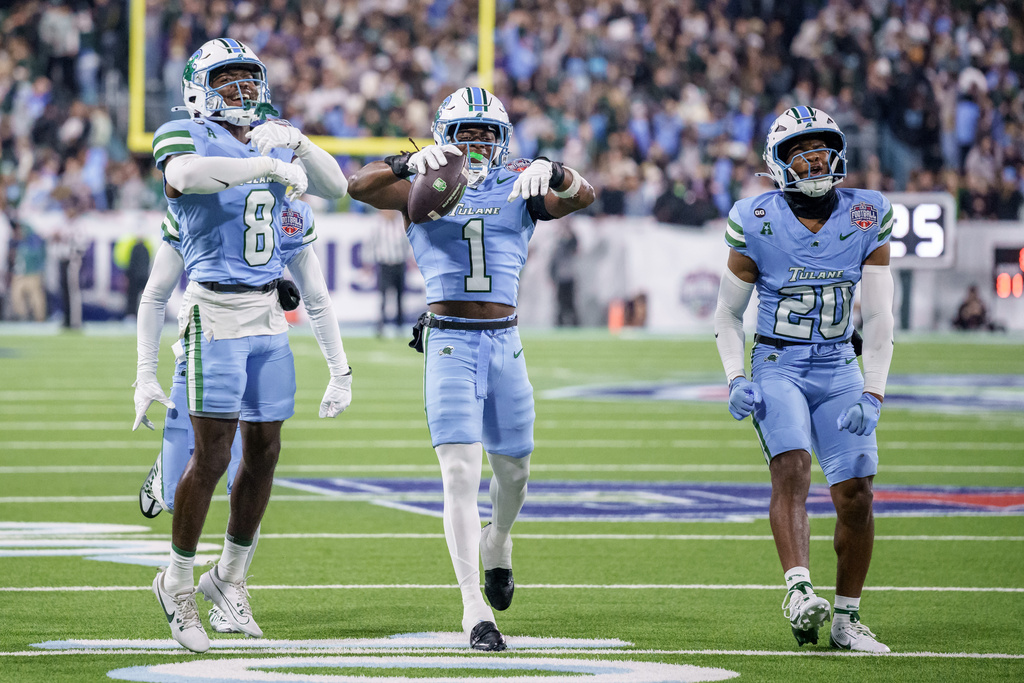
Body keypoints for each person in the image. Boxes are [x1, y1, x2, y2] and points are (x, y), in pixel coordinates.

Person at [347, 87, 595, 651]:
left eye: (488, 133)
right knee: (459, 475)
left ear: (503, 139)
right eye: (468, 133)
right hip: (450, 344)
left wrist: (555, 170)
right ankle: (473, 609)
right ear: (444, 137)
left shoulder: (520, 185)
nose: (479, 143)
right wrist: (405, 161)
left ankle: (499, 541)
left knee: (515, 474)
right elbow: (354, 187)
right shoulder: (424, 185)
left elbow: (585, 195)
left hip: (506, 343)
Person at [136, 38, 349, 653]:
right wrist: (267, 166)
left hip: (266, 315)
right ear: (200, 89)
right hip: (214, 311)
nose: (241, 91)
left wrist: (298, 144)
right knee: (212, 455)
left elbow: (333, 186)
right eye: (227, 81)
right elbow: (183, 175)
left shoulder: (270, 136)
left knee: (265, 450)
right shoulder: (183, 132)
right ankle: (176, 582)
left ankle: (229, 578)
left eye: (247, 79)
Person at [713, 106, 895, 653]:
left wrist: (873, 390)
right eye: (801, 150)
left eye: (822, 147)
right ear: (779, 161)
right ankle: (797, 589)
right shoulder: (755, 216)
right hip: (779, 362)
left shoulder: (868, 212)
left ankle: (846, 619)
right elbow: (726, 314)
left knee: (857, 494)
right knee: (791, 466)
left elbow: (881, 316)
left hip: (840, 362)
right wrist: (735, 377)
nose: (815, 158)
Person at [368, 209, 411, 336]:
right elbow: (371, 245)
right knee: (383, 296)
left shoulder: (400, 225)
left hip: (399, 263)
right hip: (384, 265)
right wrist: (369, 262)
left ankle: (399, 326)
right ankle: (380, 326)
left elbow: (407, 243)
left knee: (399, 297)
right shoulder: (378, 225)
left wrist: (407, 258)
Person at [549, 222, 579, 326]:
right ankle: (560, 324)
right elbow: (553, 263)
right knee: (560, 303)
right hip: (561, 278)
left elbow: (574, 242)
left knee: (570, 303)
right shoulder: (558, 245)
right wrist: (552, 277)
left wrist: (568, 230)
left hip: (569, 277)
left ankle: (575, 324)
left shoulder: (567, 244)